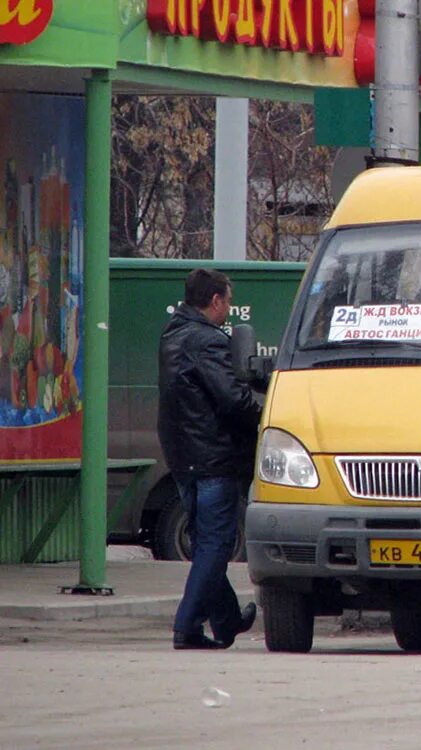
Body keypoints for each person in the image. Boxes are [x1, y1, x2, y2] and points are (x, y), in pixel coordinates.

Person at [158, 269, 261, 650]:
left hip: (183, 455)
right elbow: (232, 398)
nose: (229, 309)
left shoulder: (173, 333)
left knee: (206, 544)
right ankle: (187, 626)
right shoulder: (206, 341)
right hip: (213, 457)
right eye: (228, 301)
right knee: (216, 544)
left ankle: (227, 620)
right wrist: (267, 415)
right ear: (215, 301)